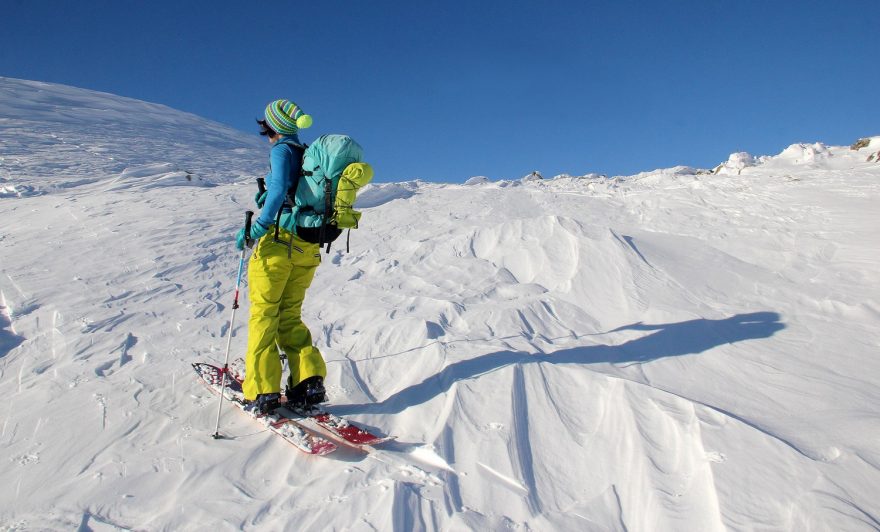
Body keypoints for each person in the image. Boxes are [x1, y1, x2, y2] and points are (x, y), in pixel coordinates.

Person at [235, 99, 326, 414]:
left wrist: (257, 227)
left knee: (265, 315)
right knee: (290, 315)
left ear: (272, 126)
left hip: (278, 244)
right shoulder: (308, 154)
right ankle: (308, 381)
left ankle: (263, 390)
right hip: (307, 245)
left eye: (265, 127)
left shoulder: (281, 151)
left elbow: (276, 195)